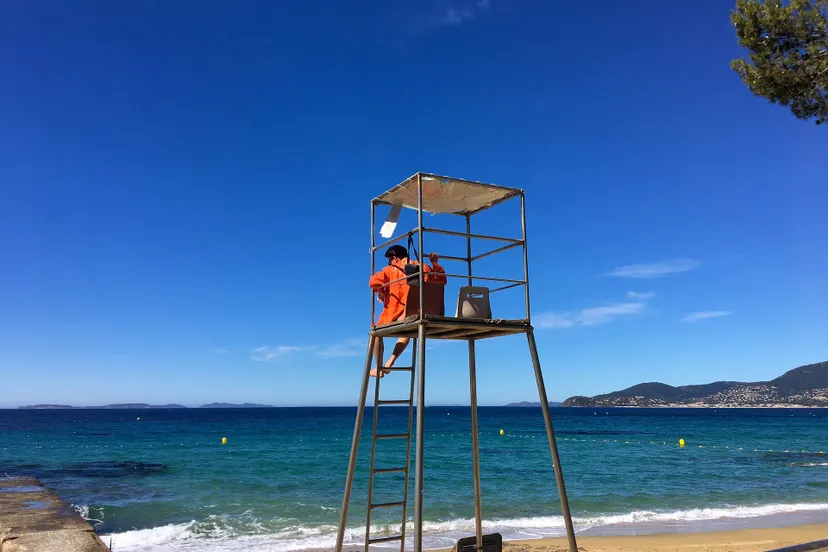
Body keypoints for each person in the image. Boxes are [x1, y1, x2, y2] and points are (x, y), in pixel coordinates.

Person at [368, 244, 447, 377]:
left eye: (389, 259)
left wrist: (380, 291)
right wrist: (435, 263)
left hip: (400, 313)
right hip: (423, 312)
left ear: (394, 257)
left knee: (375, 332)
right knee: (406, 332)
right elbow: (441, 279)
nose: (389, 262)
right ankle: (389, 363)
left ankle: (379, 367)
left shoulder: (391, 269)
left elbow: (373, 282)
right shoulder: (424, 266)